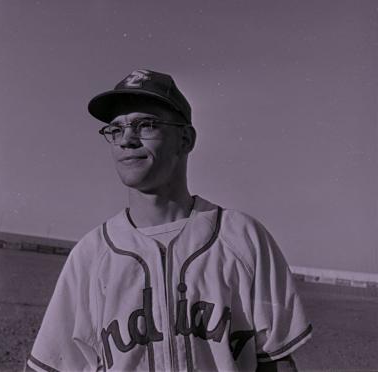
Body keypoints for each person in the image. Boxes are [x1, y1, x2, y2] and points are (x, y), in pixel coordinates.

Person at [27, 69, 312, 372]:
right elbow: (50, 364)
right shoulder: (90, 255)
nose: (126, 139)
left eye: (145, 125)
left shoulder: (243, 238)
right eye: (115, 129)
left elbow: (277, 363)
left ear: (185, 139)